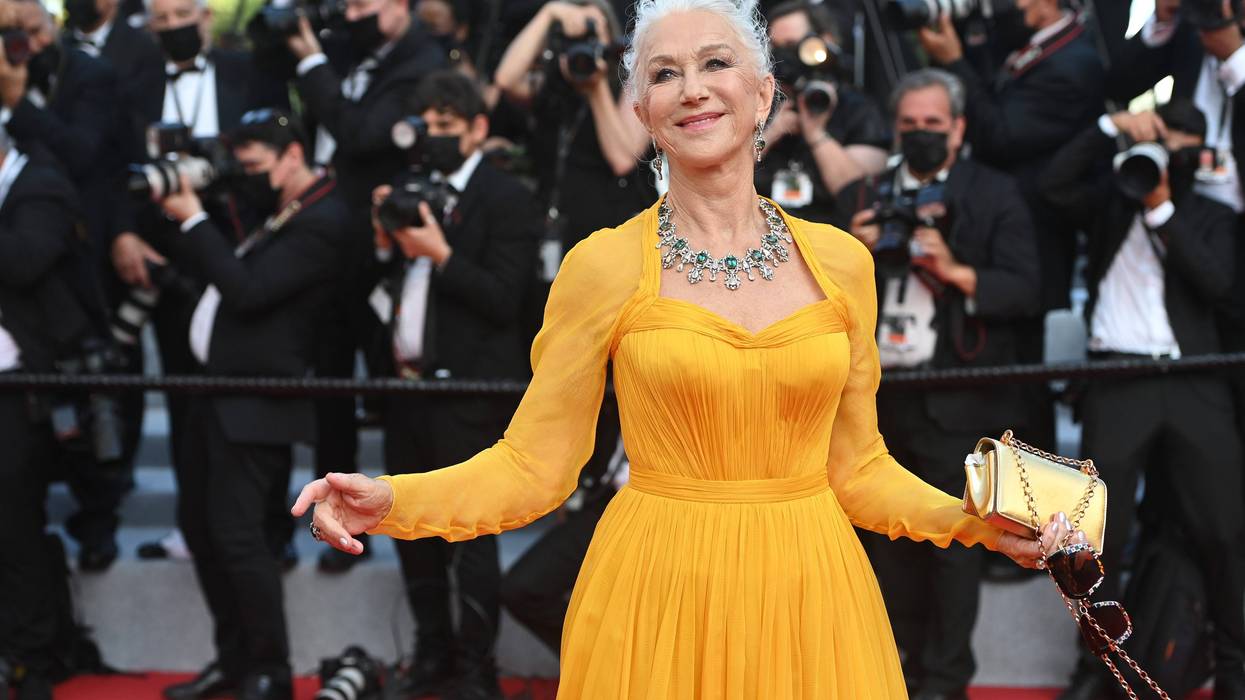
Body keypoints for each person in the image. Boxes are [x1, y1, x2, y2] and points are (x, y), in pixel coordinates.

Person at [294, 1, 1075, 697]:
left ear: (764, 92)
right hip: (655, 594)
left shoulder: (843, 262)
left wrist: (972, 522)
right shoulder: (599, 265)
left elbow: (858, 469)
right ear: (641, 107)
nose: (692, 88)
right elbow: (534, 466)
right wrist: (396, 499)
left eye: (715, 63)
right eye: (664, 73)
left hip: (813, 596)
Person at [841, 68, 1040, 700]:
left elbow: (1026, 287)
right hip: (875, 398)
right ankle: (892, 672)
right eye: (910, 126)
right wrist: (851, 251)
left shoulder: (994, 193)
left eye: (933, 125)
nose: (921, 135)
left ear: (957, 128)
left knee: (956, 547)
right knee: (884, 543)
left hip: (957, 397)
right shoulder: (864, 192)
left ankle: (946, 682)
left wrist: (953, 269)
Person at [1042, 100, 1245, 700]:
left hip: (1194, 380)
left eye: (1170, 145)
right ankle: (1095, 670)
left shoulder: (1212, 214)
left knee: (1226, 531)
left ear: (1196, 154)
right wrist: (1109, 128)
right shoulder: (1109, 203)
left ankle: (1236, 668)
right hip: (1117, 378)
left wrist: (1162, 210)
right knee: (1097, 537)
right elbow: (1053, 187)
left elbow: (1219, 285)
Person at [157, 109, 351, 700]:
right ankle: (234, 659)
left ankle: (269, 670)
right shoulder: (279, 214)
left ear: (293, 154)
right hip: (216, 395)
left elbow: (247, 293)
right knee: (202, 528)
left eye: (257, 167)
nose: (248, 179)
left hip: (259, 401)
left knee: (241, 539)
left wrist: (193, 221)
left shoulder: (323, 220)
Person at [369, 70, 541, 700]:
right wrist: (385, 236)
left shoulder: (506, 197)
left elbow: (503, 299)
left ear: (478, 129)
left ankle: (476, 669)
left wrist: (439, 253)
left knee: (468, 533)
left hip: (470, 392)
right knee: (406, 521)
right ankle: (431, 652)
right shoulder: (414, 191)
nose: (435, 138)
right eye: (428, 127)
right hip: (407, 390)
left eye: (448, 126)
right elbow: (378, 283)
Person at [284, 0, 445, 571]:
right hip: (324, 244)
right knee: (328, 388)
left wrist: (310, 64)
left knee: (389, 392)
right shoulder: (349, 50)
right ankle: (334, 522)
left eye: (363, 3)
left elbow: (357, 134)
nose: (353, 13)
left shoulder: (421, 58)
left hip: (380, 251)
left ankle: (392, 520)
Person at [0, 132, 95, 700]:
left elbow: (26, 261)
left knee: (13, 527)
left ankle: (30, 659)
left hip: (18, 388)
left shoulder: (41, 184)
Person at [756, 0, 889, 225]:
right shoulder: (758, 106)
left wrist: (817, 135)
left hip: (833, 240)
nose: (783, 57)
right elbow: (720, 179)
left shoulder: (857, 109)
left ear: (825, 41)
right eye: (776, 48)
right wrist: (771, 133)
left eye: (792, 45)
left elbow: (859, 198)